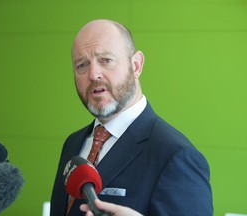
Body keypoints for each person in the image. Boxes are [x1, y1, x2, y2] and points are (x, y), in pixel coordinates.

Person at [50, 19, 213, 216]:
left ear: (136, 65)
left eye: (105, 60)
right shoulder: (73, 143)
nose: (93, 74)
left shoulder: (177, 157)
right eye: (82, 65)